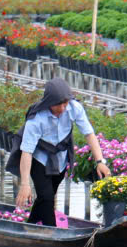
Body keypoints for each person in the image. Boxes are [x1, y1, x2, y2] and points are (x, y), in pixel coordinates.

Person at [14, 78, 111, 226]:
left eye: (65, 103)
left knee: (45, 197)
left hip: (60, 159)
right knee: (46, 197)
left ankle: (29, 225)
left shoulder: (74, 107)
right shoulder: (36, 119)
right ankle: (52, 233)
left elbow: (89, 134)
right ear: (49, 103)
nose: (63, 107)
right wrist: (25, 184)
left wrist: (100, 161)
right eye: (58, 104)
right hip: (39, 159)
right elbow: (26, 152)